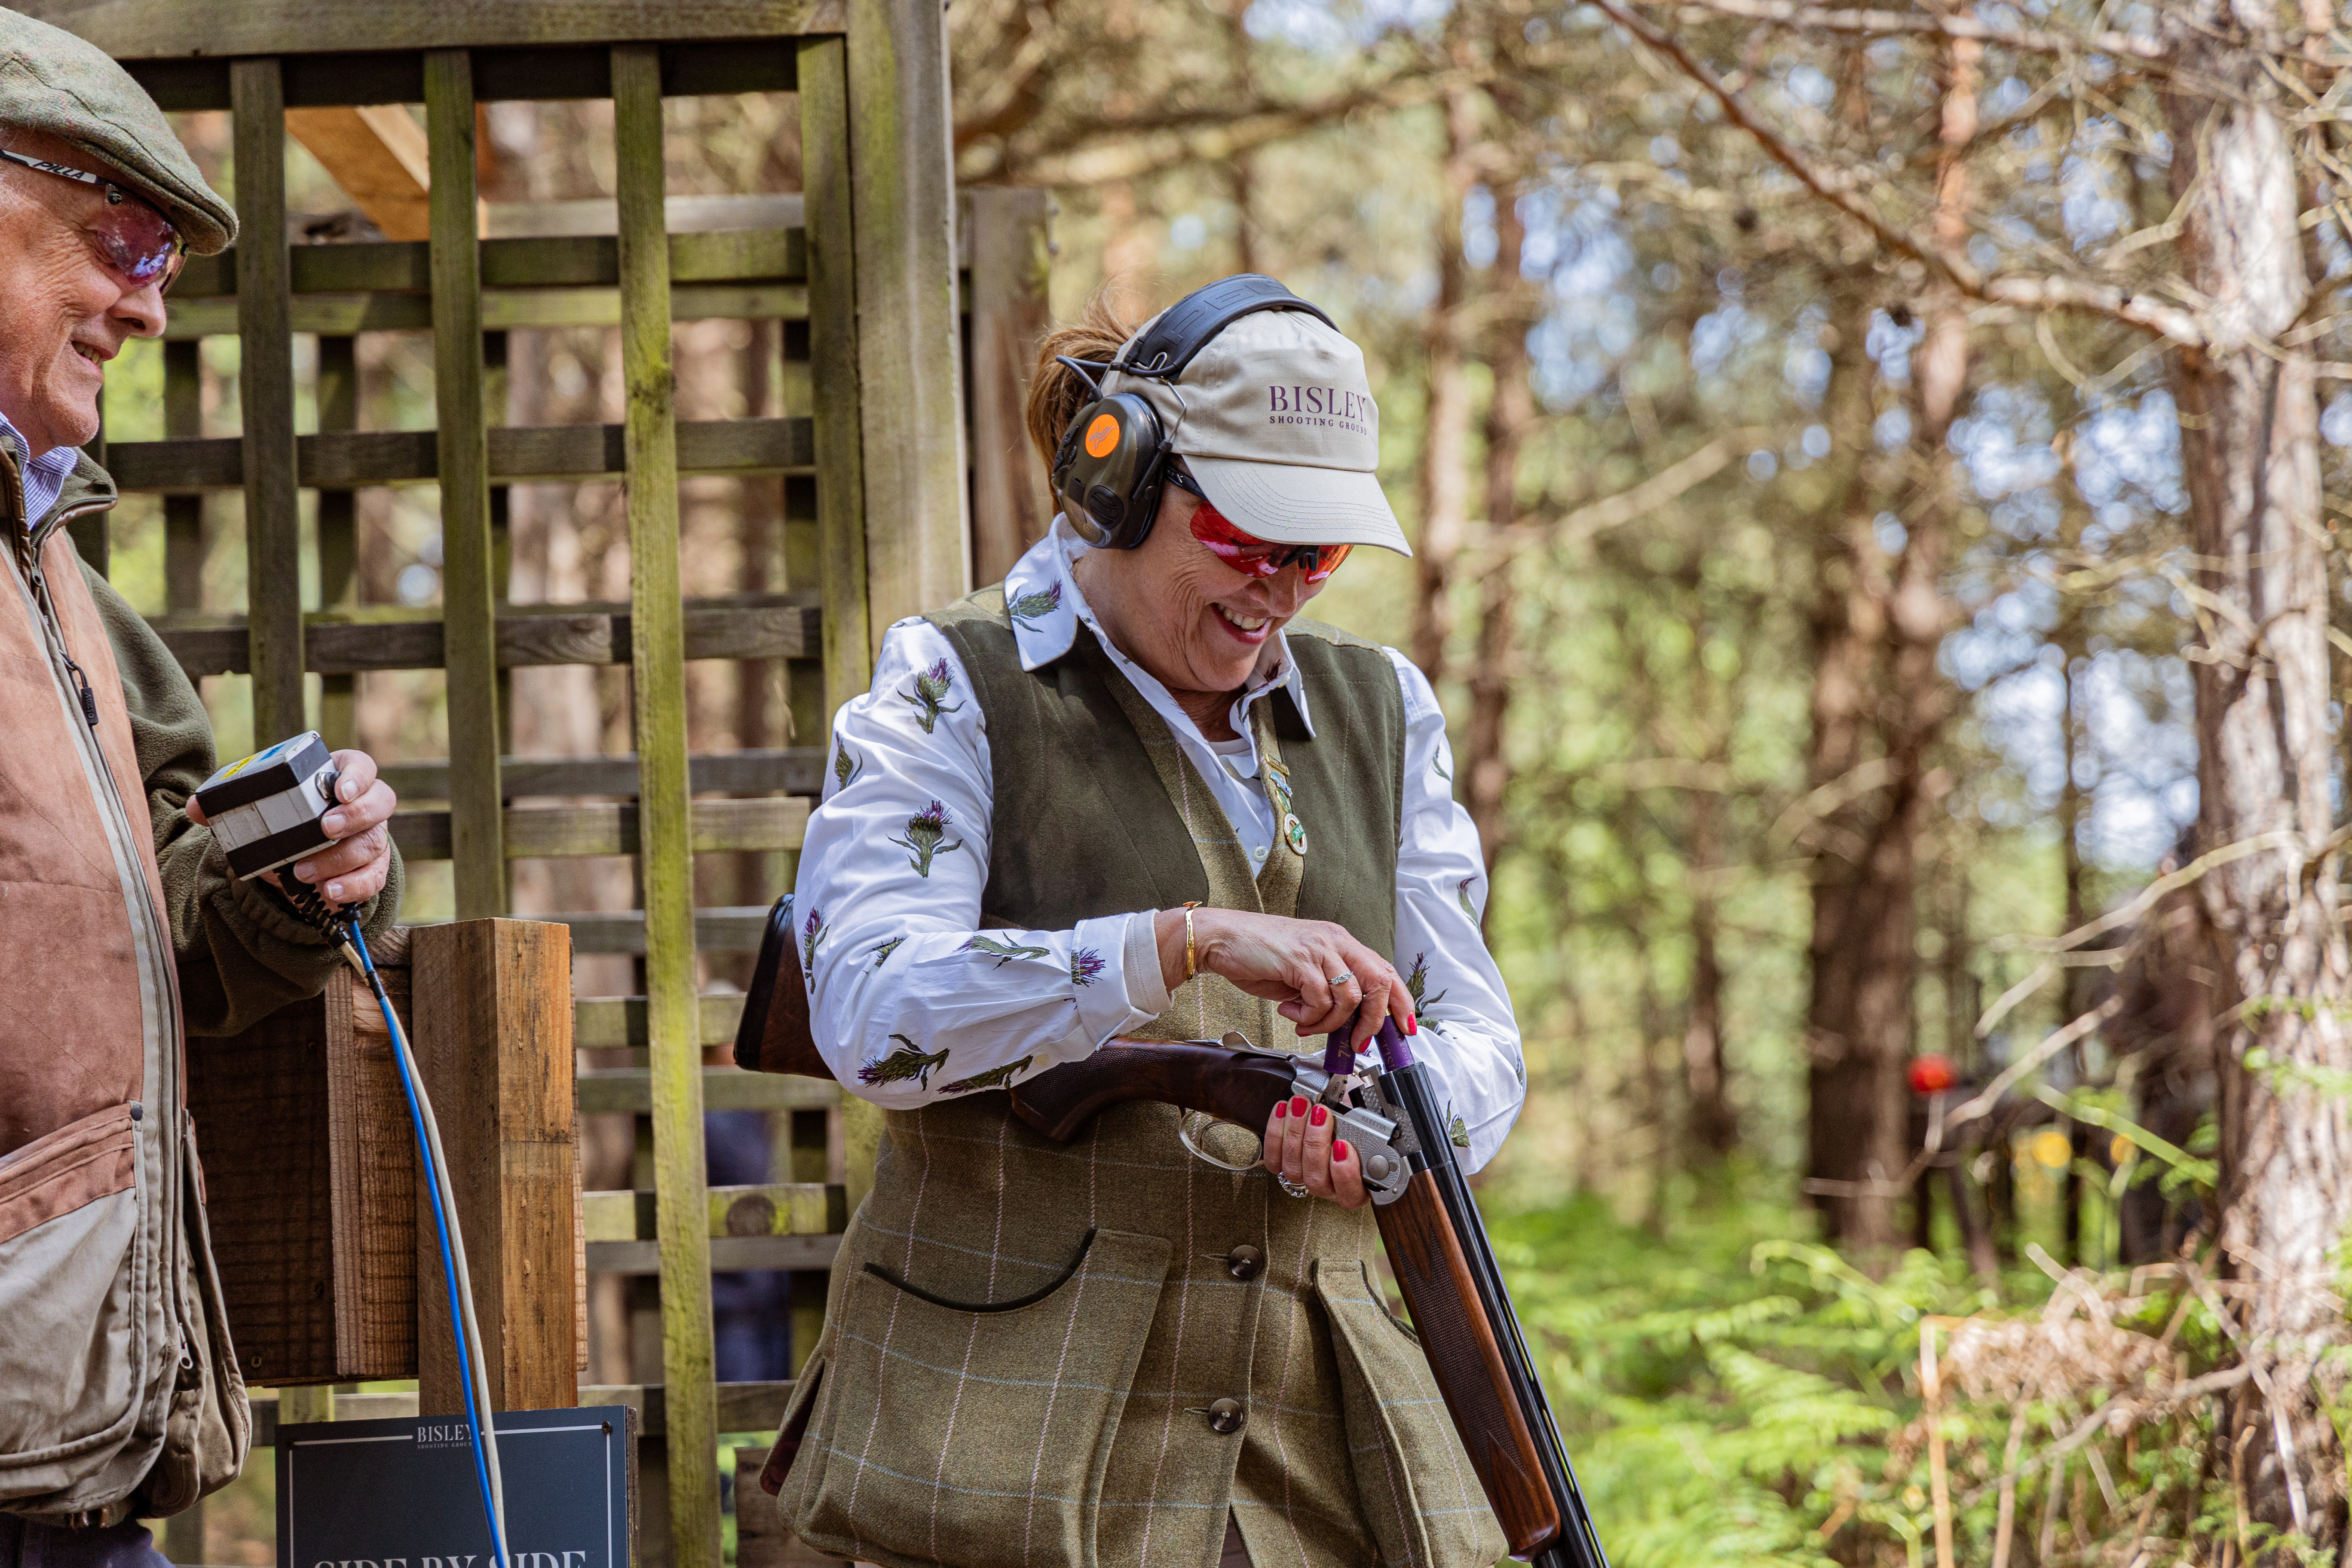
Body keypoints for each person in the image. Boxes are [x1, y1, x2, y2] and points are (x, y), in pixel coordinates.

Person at [773, 276, 1525, 1568]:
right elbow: (869, 1013)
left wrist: (1392, 1131)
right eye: (1246, 537)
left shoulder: (1384, 709)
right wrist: (1172, 942)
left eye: (1318, 552)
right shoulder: (951, 678)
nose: (1282, 588)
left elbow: (1476, 1034)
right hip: (1008, 1454)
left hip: (1316, 1458)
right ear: (1119, 475)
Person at [0, 12, 401, 1564]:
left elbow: (167, 937)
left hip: (74, 1452)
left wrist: (306, 880)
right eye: (124, 242)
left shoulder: (66, 587)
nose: (149, 308)